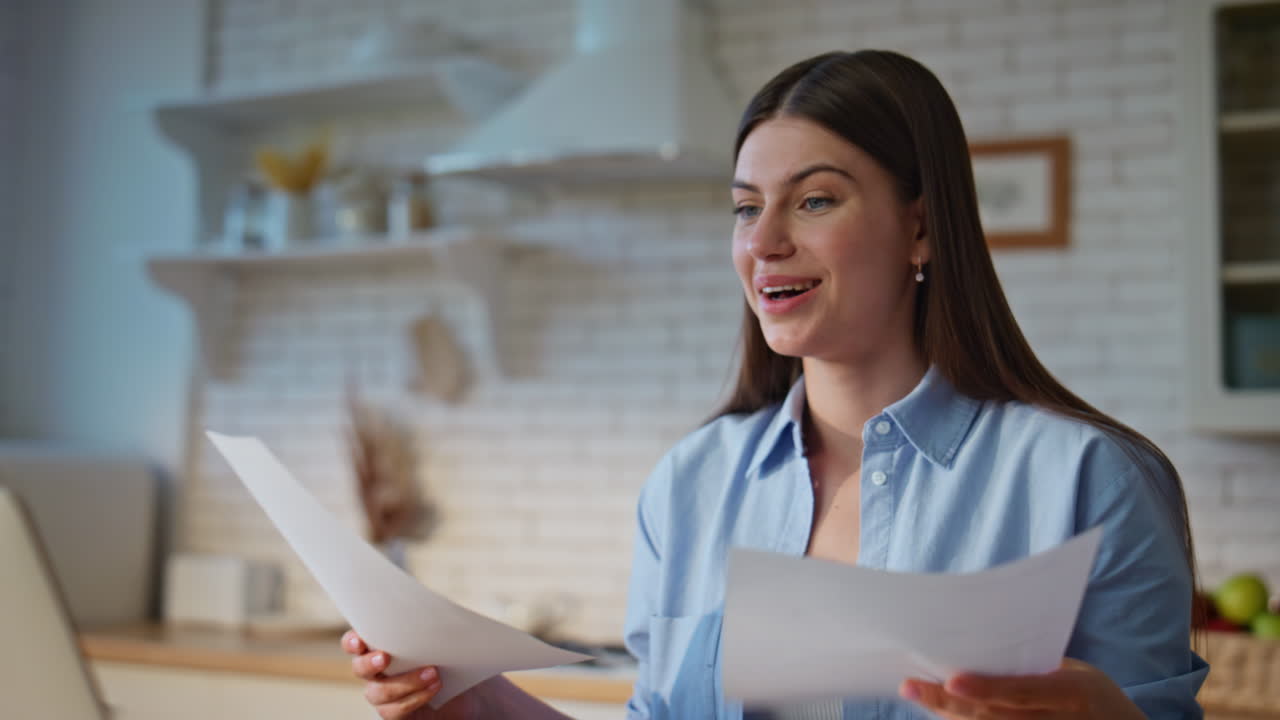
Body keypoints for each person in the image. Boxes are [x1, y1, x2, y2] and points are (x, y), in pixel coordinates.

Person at [342, 49, 1209, 720]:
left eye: (816, 200)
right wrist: (465, 695)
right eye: (747, 207)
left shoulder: (1094, 481)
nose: (763, 244)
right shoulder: (690, 484)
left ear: (921, 226)